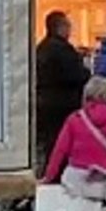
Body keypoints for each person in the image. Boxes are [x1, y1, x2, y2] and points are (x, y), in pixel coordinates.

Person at [42, 76, 106, 192]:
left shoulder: (75, 119)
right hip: (103, 180)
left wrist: (48, 177)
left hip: (75, 179)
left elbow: (60, 150)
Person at [35, 11, 90, 170]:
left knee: (49, 142)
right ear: (59, 27)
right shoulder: (62, 49)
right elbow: (75, 75)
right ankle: (57, 172)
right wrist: (86, 72)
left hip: (44, 101)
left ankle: (49, 169)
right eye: (68, 26)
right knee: (61, 141)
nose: (70, 30)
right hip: (62, 104)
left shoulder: (41, 48)